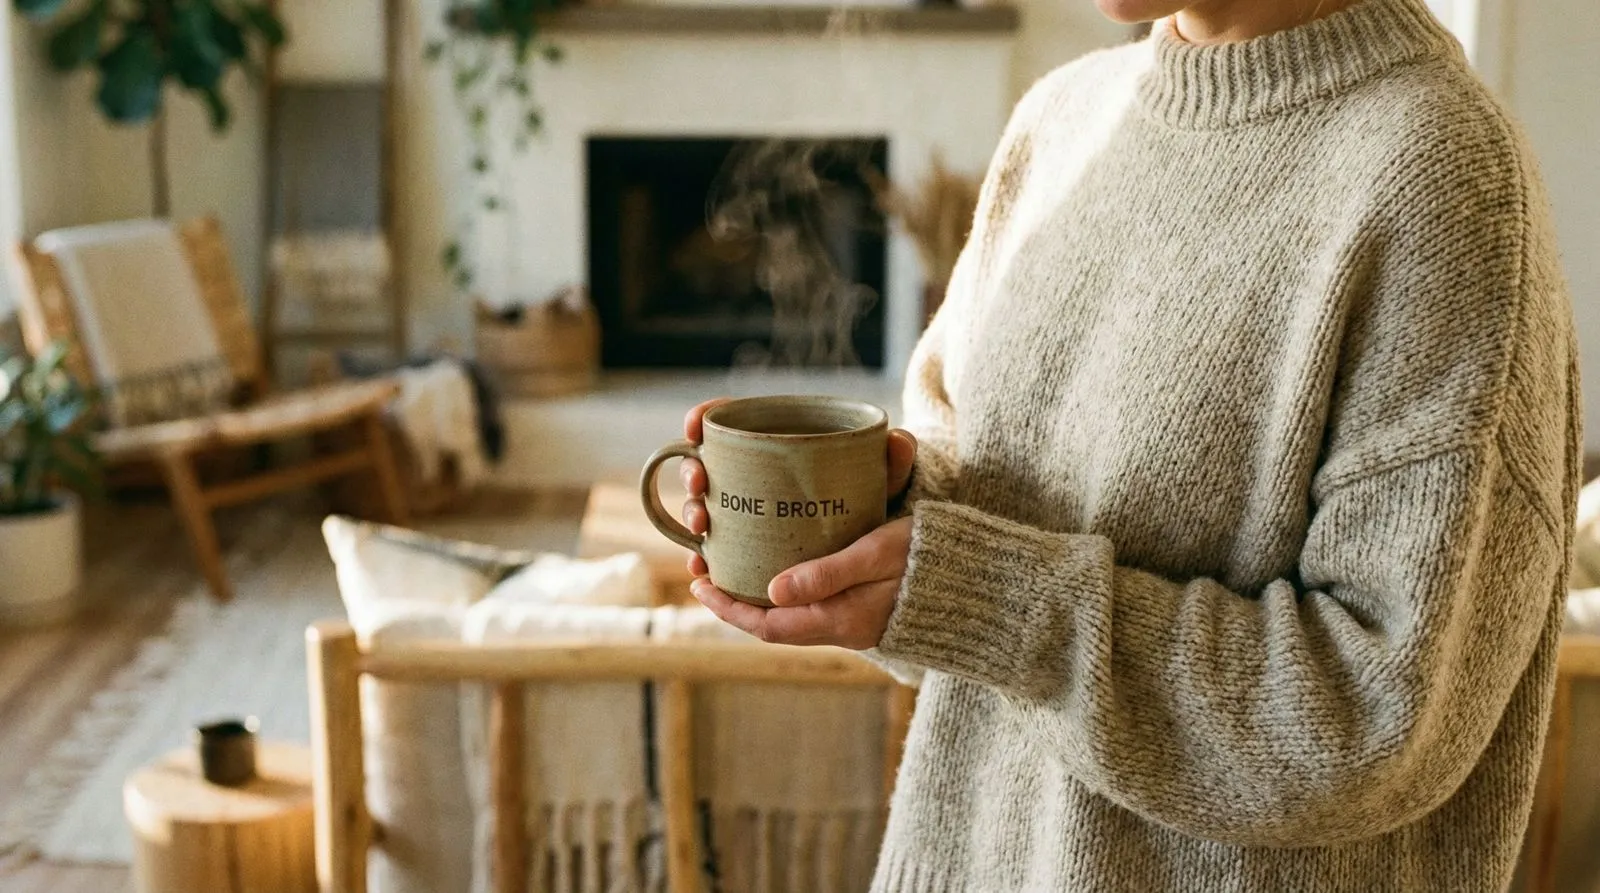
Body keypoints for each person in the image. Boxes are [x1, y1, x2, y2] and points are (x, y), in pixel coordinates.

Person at [677, 0, 1581, 888]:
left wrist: (979, 592)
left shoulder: (1444, 174)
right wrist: (860, 528)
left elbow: (1376, 716)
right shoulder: (1060, 121)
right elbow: (968, 530)